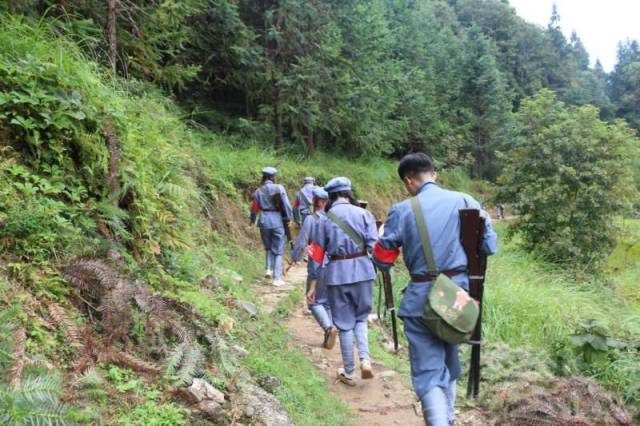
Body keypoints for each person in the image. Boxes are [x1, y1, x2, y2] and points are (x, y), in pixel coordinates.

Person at [372, 153, 497, 426]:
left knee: (428, 374)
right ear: (434, 174)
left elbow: (382, 260)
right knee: (450, 366)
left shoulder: (402, 210)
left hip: (421, 301)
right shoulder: (467, 201)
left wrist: (380, 240)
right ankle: (449, 419)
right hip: (458, 299)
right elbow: (489, 246)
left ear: (408, 180)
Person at [308, 177, 378, 386]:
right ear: (349, 193)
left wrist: (313, 283)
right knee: (361, 318)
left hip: (337, 274)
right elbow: (375, 247)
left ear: (330, 196)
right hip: (364, 272)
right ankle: (365, 359)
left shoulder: (324, 219)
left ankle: (349, 372)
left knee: (345, 324)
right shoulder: (365, 214)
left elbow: (316, 256)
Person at [291, 186, 337, 349]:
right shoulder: (333, 219)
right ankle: (330, 333)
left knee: (313, 301)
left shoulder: (311, 219)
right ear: (325, 203)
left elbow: (303, 241)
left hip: (317, 264)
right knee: (328, 302)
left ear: (314, 202)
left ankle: (328, 328)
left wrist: (293, 259)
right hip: (334, 265)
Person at [250, 167, 293, 287]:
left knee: (268, 247)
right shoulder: (279, 188)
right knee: (278, 250)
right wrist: (288, 218)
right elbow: (286, 205)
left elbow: (254, 208)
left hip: (263, 220)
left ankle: (268, 269)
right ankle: (277, 278)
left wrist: (252, 220)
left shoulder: (259, 191)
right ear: (273, 177)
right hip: (277, 220)